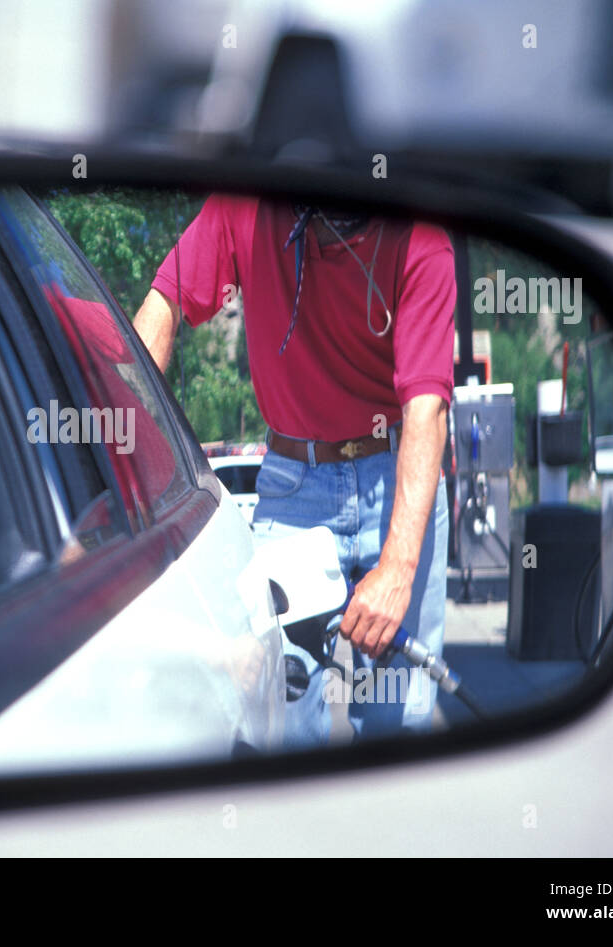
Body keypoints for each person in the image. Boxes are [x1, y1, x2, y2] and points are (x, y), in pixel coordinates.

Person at [132, 195, 456, 746]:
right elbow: (161, 308)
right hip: (294, 489)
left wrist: (399, 568)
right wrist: (125, 465)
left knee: (400, 727)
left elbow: (426, 407)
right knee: (282, 723)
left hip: (400, 486)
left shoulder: (422, 237)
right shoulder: (247, 205)